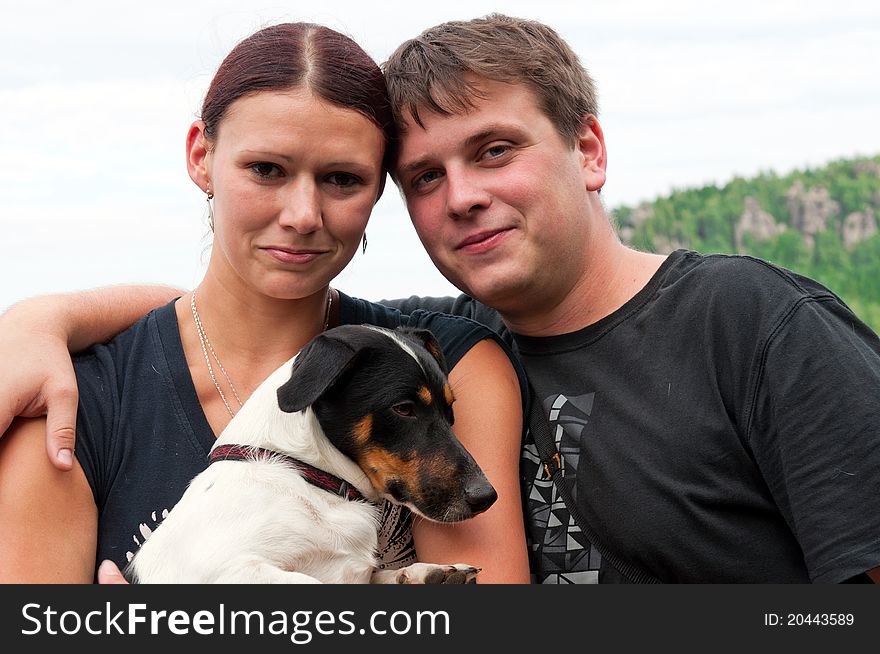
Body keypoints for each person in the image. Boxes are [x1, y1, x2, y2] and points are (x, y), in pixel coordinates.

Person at [2, 14, 880, 583]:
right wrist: (42, 317)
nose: (461, 197)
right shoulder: (86, 396)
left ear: (592, 151)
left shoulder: (456, 354)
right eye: (427, 175)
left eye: (495, 151)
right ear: (202, 157)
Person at [0, 22, 530, 584]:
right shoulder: (70, 403)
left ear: (379, 190)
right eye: (266, 169)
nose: (303, 215)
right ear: (201, 156)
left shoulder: (448, 362)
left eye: (342, 179)